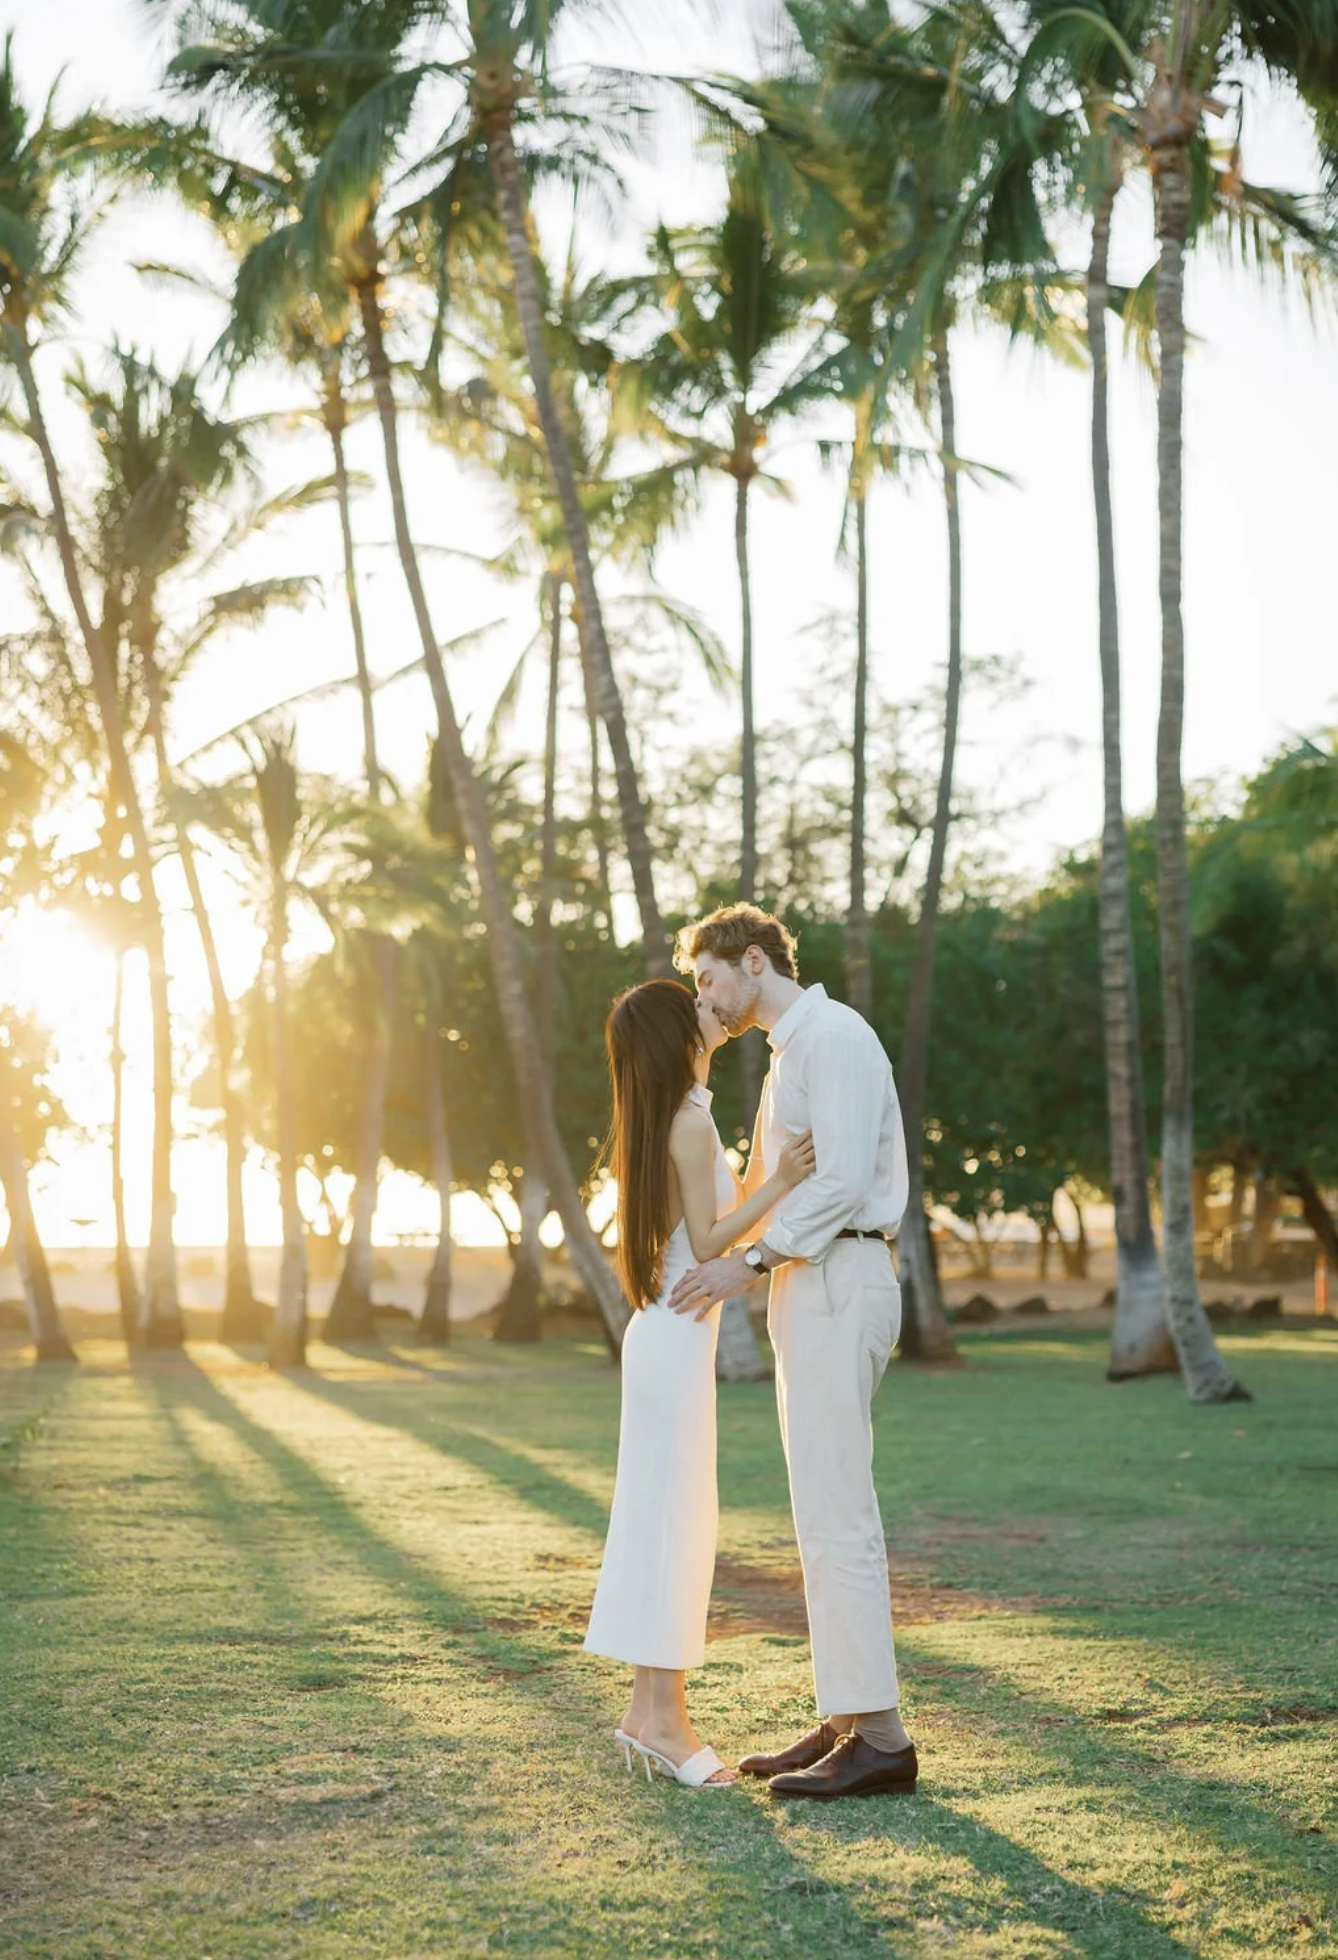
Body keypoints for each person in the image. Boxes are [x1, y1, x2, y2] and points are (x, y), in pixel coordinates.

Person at [668, 903, 919, 1801]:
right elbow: (776, 1187)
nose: (705, 999)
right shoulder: (789, 1055)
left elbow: (842, 1180)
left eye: (708, 979)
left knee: (838, 1505)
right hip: (808, 1283)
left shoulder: (835, 1036)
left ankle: (880, 1739)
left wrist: (746, 1265)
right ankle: (848, 1717)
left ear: (752, 961)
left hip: (841, 1273)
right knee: (819, 1508)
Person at [584, 977, 816, 1789]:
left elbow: (718, 1213)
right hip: (674, 1343)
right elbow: (714, 1240)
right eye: (693, 1005)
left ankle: (647, 1715)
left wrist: (764, 1175)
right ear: (674, 1037)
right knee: (673, 1525)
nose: (707, 1006)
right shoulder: (685, 1121)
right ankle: (666, 1725)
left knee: (667, 1520)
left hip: (673, 1340)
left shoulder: (685, 1115)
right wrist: (783, 1179)